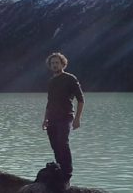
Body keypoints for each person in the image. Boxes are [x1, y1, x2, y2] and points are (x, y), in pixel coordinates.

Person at [42, 52, 84, 187]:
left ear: (63, 64)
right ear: (50, 65)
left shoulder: (70, 79)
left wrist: (77, 119)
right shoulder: (51, 81)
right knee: (55, 146)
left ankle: (67, 174)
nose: (55, 65)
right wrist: (45, 119)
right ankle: (59, 171)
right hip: (52, 118)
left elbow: (81, 99)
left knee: (62, 143)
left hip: (65, 116)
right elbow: (49, 102)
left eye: (57, 63)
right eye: (52, 63)